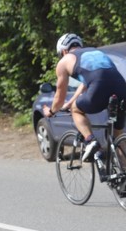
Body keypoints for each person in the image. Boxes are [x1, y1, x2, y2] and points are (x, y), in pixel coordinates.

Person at [43, 33, 126, 165]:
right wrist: (70, 103)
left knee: (76, 110)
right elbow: (86, 83)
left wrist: (52, 111)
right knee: (118, 137)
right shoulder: (94, 52)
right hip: (121, 87)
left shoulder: (65, 61)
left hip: (99, 86)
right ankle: (123, 177)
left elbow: (59, 95)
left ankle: (90, 140)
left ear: (64, 51)